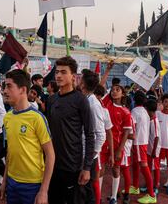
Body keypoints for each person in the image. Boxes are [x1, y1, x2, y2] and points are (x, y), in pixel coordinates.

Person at [0, 69, 55, 204]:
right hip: (12, 183)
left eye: (9, 86)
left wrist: (43, 191)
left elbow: (50, 155)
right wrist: (4, 181)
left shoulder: (37, 118)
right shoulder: (7, 118)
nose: (5, 91)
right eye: (5, 86)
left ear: (23, 90)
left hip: (33, 185)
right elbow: (10, 152)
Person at [46, 56, 95, 204]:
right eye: (57, 72)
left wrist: (87, 168)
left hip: (72, 166)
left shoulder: (81, 100)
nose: (58, 75)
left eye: (63, 72)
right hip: (52, 164)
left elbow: (90, 135)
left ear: (73, 76)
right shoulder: (51, 100)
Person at [102, 82, 132, 204]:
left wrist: (119, 150)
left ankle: (114, 196)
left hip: (117, 145)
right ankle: (98, 196)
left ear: (123, 93)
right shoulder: (106, 105)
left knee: (116, 169)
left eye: (117, 89)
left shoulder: (126, 112)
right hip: (104, 143)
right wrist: (108, 70)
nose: (114, 91)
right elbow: (100, 86)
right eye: (113, 89)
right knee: (101, 169)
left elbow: (126, 132)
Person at [80, 69, 106, 204]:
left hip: (88, 156)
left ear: (83, 83)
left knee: (86, 190)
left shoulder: (93, 104)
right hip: (83, 153)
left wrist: (91, 156)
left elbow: (101, 134)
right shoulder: (85, 99)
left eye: (80, 78)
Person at [130, 91, 156, 204]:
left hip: (139, 142)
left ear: (134, 100)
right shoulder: (145, 111)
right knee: (136, 164)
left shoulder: (135, 111)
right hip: (141, 141)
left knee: (144, 166)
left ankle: (151, 194)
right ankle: (135, 187)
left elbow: (133, 127)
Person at [144, 99, 161, 195]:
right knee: (149, 166)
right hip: (150, 148)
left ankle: (156, 185)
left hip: (154, 149)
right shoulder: (150, 120)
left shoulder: (154, 122)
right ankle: (149, 183)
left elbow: (157, 137)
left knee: (156, 167)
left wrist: (154, 151)